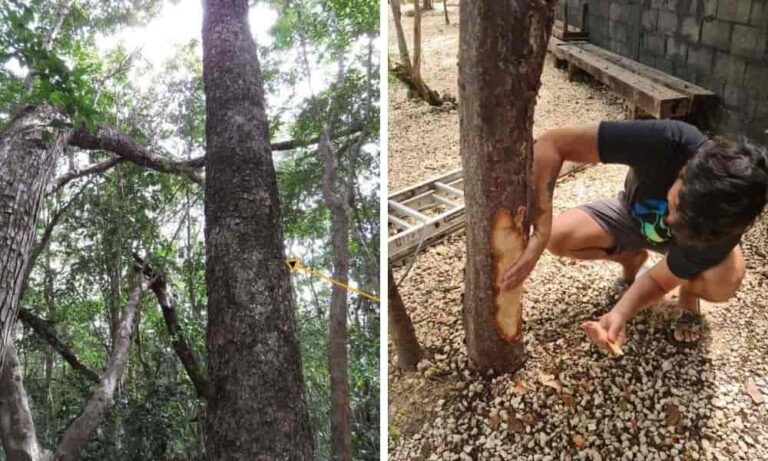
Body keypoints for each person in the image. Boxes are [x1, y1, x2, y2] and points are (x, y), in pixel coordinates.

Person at [500, 119, 768, 353]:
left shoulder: (722, 229)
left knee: (724, 280)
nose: (670, 221)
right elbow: (552, 143)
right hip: (631, 216)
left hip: (687, 246)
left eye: (682, 223)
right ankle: (631, 258)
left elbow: (659, 281)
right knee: (558, 237)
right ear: (684, 171)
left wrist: (620, 313)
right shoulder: (667, 140)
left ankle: (689, 293)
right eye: (675, 207)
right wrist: (541, 228)